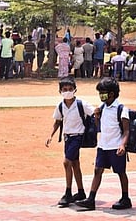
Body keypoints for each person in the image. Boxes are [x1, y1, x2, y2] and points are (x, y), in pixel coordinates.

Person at [75, 77, 131, 211]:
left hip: (115, 146)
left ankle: (125, 198)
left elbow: (126, 130)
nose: (101, 95)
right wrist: (96, 117)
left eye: (103, 92)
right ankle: (91, 199)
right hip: (103, 145)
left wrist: (123, 145)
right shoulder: (102, 107)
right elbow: (99, 126)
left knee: (120, 172)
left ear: (111, 93)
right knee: (97, 170)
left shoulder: (121, 109)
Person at [45, 77, 94, 207]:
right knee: (75, 164)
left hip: (78, 136)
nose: (67, 92)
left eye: (70, 89)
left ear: (75, 90)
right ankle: (81, 191)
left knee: (67, 163)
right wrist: (51, 135)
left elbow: (94, 113)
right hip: (67, 137)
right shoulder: (60, 106)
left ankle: (67, 192)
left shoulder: (81, 104)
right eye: (65, 89)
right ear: (60, 91)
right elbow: (57, 121)